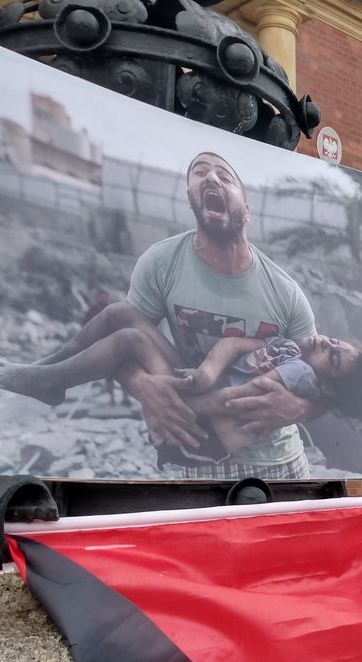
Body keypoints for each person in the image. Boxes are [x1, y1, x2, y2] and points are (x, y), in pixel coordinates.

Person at [0, 302, 362, 474]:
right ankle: (46, 373)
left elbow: (232, 416)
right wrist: (203, 371)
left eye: (333, 356)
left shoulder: (297, 385)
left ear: (327, 382)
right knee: (120, 312)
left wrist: (170, 395)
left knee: (128, 340)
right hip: (194, 380)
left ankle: (47, 379)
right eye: (335, 342)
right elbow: (235, 344)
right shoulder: (289, 351)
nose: (326, 343)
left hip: (194, 417)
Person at [119, 151, 320, 480]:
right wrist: (141, 385)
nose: (211, 178)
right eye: (200, 173)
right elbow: (124, 344)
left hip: (282, 463)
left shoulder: (286, 292)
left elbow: (323, 382)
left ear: (247, 208)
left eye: (225, 177)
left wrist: (301, 408)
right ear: (190, 198)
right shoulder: (161, 263)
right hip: (196, 459)